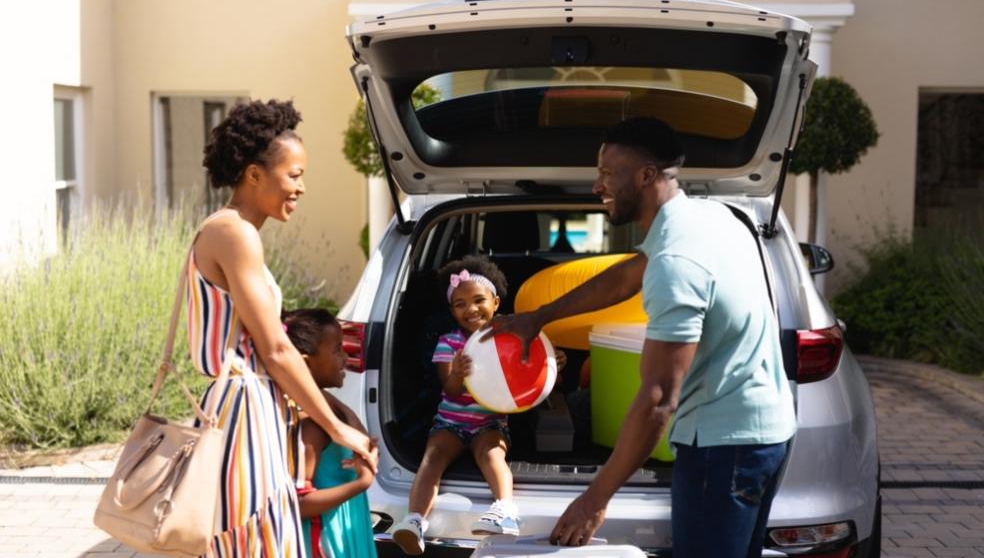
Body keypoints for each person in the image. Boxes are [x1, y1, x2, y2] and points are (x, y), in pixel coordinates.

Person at [488, 117, 796, 558]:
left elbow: (657, 400)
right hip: (767, 431)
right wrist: (538, 317)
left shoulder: (676, 263)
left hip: (722, 449)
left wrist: (595, 499)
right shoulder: (713, 218)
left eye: (607, 173)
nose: (597, 185)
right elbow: (623, 278)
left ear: (646, 175)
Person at [190, 99, 377, 557]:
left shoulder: (234, 232)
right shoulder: (234, 233)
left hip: (252, 405)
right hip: (242, 409)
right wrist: (336, 427)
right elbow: (275, 349)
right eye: (293, 175)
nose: (302, 187)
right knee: (256, 543)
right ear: (255, 174)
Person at [391, 255, 566, 555]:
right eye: (460, 304)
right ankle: (415, 521)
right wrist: (457, 372)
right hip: (450, 421)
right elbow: (450, 389)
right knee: (432, 458)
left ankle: (505, 509)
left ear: (496, 302)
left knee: (491, 455)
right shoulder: (448, 343)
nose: (470, 309)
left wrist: (552, 367)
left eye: (478, 300)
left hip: (490, 422)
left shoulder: (514, 337)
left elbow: (531, 385)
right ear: (451, 311)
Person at [282, 308, 377, 558]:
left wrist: (315, 392)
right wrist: (361, 484)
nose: (346, 357)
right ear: (305, 362)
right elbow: (297, 504)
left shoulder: (329, 411)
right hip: (324, 544)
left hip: (346, 531)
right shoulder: (312, 427)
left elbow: (361, 436)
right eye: (337, 350)